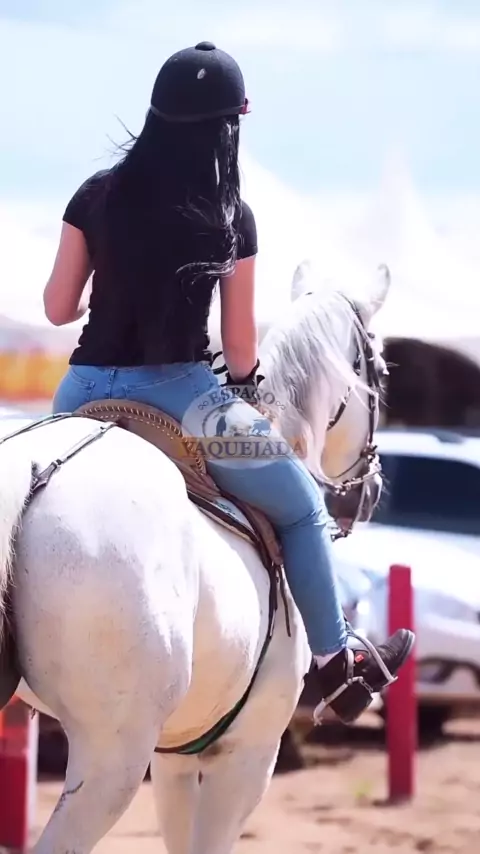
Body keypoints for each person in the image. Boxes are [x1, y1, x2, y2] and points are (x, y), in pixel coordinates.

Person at [44, 40, 414, 724]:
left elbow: (57, 308)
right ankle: (337, 666)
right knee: (302, 506)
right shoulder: (229, 214)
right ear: (226, 127)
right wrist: (243, 391)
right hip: (184, 401)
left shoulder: (94, 195)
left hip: (80, 393)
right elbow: (240, 348)